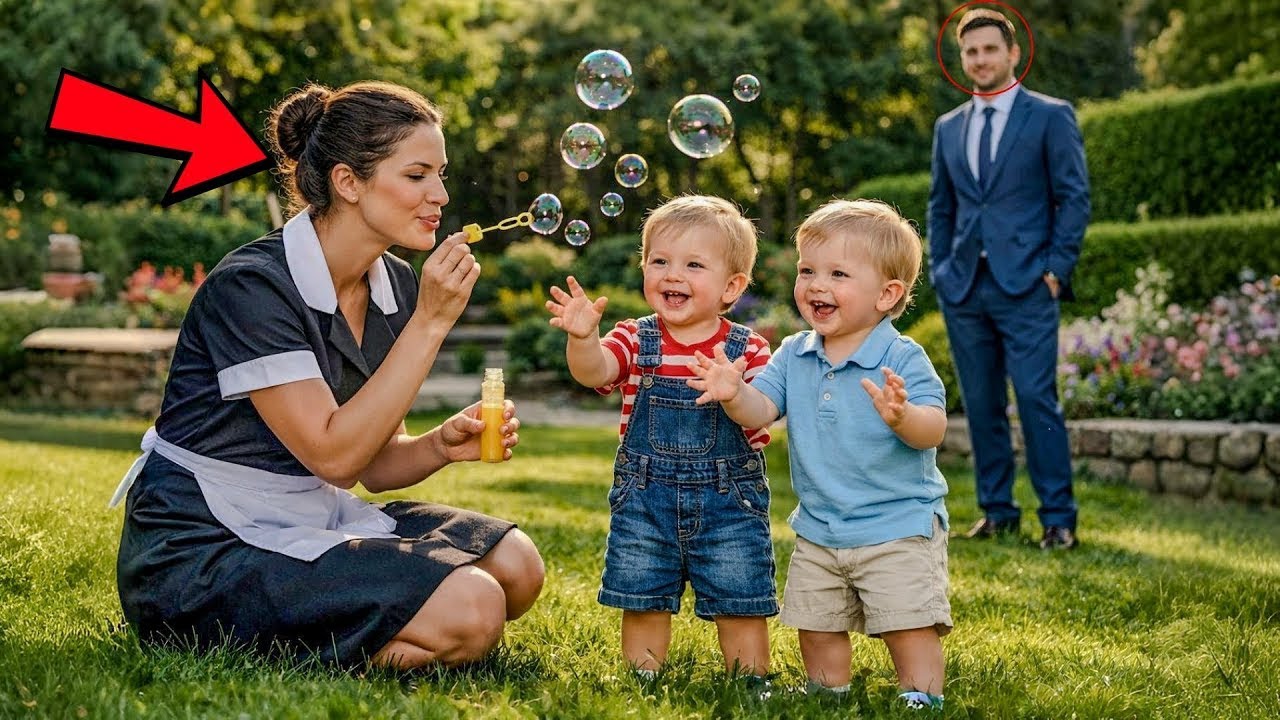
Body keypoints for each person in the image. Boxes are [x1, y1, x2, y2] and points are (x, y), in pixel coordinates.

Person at [111, 80, 544, 669]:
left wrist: (439, 445)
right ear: (348, 182)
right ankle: (335, 642)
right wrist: (431, 324)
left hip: (310, 512)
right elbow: (334, 458)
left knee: (517, 566)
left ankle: (367, 625)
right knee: (473, 607)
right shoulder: (254, 286)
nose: (439, 194)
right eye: (417, 176)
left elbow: (371, 463)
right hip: (204, 545)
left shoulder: (393, 286)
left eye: (440, 174)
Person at [689, 199, 951, 710]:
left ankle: (921, 698)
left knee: (908, 623)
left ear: (887, 294)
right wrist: (732, 391)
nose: (816, 285)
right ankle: (828, 693)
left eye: (837, 273)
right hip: (819, 526)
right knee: (817, 622)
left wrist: (903, 418)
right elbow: (760, 409)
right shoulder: (795, 352)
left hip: (896, 525)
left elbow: (933, 428)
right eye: (807, 270)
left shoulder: (901, 356)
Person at [544, 196, 777, 683]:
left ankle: (751, 682)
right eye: (660, 261)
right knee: (644, 594)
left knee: (741, 598)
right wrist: (583, 339)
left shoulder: (746, 348)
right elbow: (595, 373)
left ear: (731, 286)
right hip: (646, 498)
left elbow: (762, 416)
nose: (673, 274)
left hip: (728, 500)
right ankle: (642, 679)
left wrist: (732, 393)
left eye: (694, 264)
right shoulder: (634, 337)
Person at [927, 7, 1091, 550]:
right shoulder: (947, 127)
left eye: (990, 49)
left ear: (1013, 53)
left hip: (1027, 286)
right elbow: (942, 207)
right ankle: (998, 511)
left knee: (1037, 400)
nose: (980, 59)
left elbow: (1073, 198)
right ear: (963, 58)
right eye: (970, 51)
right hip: (965, 288)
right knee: (980, 403)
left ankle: (1058, 519)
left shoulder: (1050, 115)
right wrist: (943, 270)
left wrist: (1055, 271)